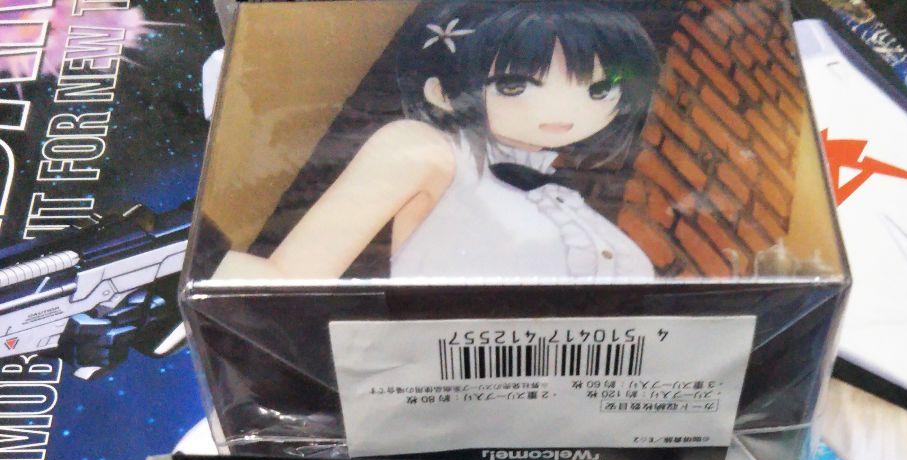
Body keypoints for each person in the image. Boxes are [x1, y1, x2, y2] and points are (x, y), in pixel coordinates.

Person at [214, 1, 660, 283]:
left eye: (599, 89)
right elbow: (284, 279)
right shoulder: (427, 151)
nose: (564, 109)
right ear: (441, 92)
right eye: (514, 85)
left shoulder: (561, 199)